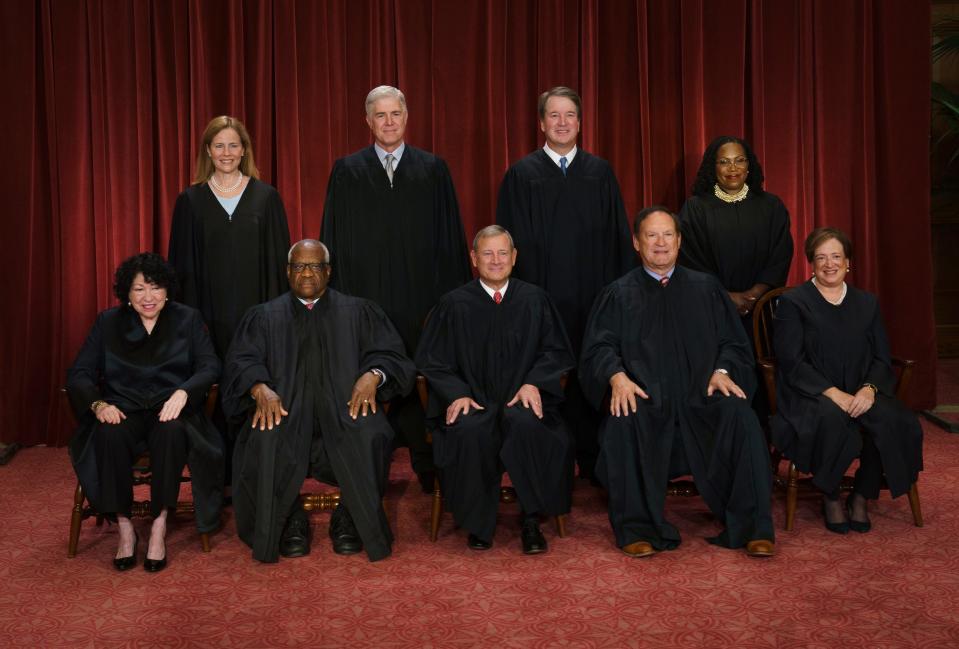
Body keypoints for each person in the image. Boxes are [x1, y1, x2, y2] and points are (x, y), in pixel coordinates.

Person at [579, 207, 775, 558]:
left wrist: (723, 371)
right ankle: (637, 528)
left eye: (667, 235)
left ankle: (752, 527)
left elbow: (733, 343)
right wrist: (617, 376)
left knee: (741, 417)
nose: (660, 243)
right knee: (624, 420)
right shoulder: (618, 294)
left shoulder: (706, 288)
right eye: (651, 236)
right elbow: (598, 348)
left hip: (702, 396)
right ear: (637, 243)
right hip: (646, 399)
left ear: (679, 241)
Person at [221, 239, 416, 563]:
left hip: (345, 411)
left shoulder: (359, 311)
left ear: (328, 271)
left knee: (371, 433)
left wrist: (374, 374)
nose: (307, 273)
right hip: (285, 412)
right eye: (299, 266)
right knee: (264, 438)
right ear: (288, 271)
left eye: (314, 266)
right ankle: (287, 521)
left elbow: (392, 355)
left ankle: (350, 517)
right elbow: (240, 360)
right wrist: (258, 387)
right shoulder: (264, 317)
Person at [321, 86, 471, 493]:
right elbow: (331, 239)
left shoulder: (433, 169)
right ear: (367, 121)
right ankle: (371, 464)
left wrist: (449, 301)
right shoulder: (346, 170)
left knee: (424, 375)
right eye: (380, 116)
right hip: (367, 300)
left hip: (422, 297)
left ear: (407, 118)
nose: (389, 122)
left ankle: (429, 463)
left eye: (395, 114)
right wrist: (341, 302)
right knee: (374, 372)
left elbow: (450, 239)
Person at [496, 86, 634, 482]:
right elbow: (506, 247)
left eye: (569, 115)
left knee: (592, 377)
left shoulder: (600, 173)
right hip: (540, 302)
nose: (561, 123)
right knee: (544, 377)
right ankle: (548, 470)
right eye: (553, 115)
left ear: (579, 122)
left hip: (593, 301)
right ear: (541, 123)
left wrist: (616, 300)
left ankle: (595, 464)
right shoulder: (522, 175)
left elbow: (618, 239)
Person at [416, 225, 575, 554]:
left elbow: (557, 352)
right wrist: (457, 392)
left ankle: (531, 519)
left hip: (522, 400)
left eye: (503, 253)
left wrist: (535, 382)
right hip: (474, 402)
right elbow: (432, 361)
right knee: (470, 431)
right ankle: (477, 523)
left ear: (514, 257)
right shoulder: (454, 304)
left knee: (527, 425)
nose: (496, 260)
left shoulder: (535, 300)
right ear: (474, 259)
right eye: (487, 253)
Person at [66, 253, 222, 572]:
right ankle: (124, 527)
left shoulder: (187, 319)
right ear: (127, 293)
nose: (148, 297)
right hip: (122, 408)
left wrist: (184, 391)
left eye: (154, 287)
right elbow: (79, 372)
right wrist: (98, 404)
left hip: (170, 408)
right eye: (139, 289)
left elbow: (210, 365)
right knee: (109, 433)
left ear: (167, 289)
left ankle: (159, 525)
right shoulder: (108, 322)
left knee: (172, 431)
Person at [771, 228, 923, 534]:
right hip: (812, 392)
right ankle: (829, 494)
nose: (829, 264)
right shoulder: (795, 302)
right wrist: (832, 393)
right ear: (811, 263)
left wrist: (869, 389)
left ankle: (861, 495)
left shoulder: (866, 303)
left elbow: (882, 357)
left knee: (893, 419)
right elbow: (791, 361)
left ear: (848, 262)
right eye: (821, 257)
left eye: (836, 256)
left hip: (861, 388)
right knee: (830, 417)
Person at [168, 116, 291, 482]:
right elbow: (181, 269)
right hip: (209, 318)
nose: (226, 153)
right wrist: (191, 323)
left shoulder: (266, 197)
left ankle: (255, 474)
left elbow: (277, 262)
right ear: (208, 150)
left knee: (256, 386)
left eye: (233, 145)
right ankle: (216, 478)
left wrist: (275, 319)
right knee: (214, 392)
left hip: (257, 318)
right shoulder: (190, 201)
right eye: (218, 145)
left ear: (244, 151)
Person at [678, 135, 793, 328]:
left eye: (740, 160)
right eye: (724, 162)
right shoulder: (695, 208)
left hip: (761, 310)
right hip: (711, 308)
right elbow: (690, 258)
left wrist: (755, 295)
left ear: (749, 166)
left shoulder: (771, 206)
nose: (733, 168)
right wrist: (727, 297)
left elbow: (780, 255)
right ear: (713, 167)